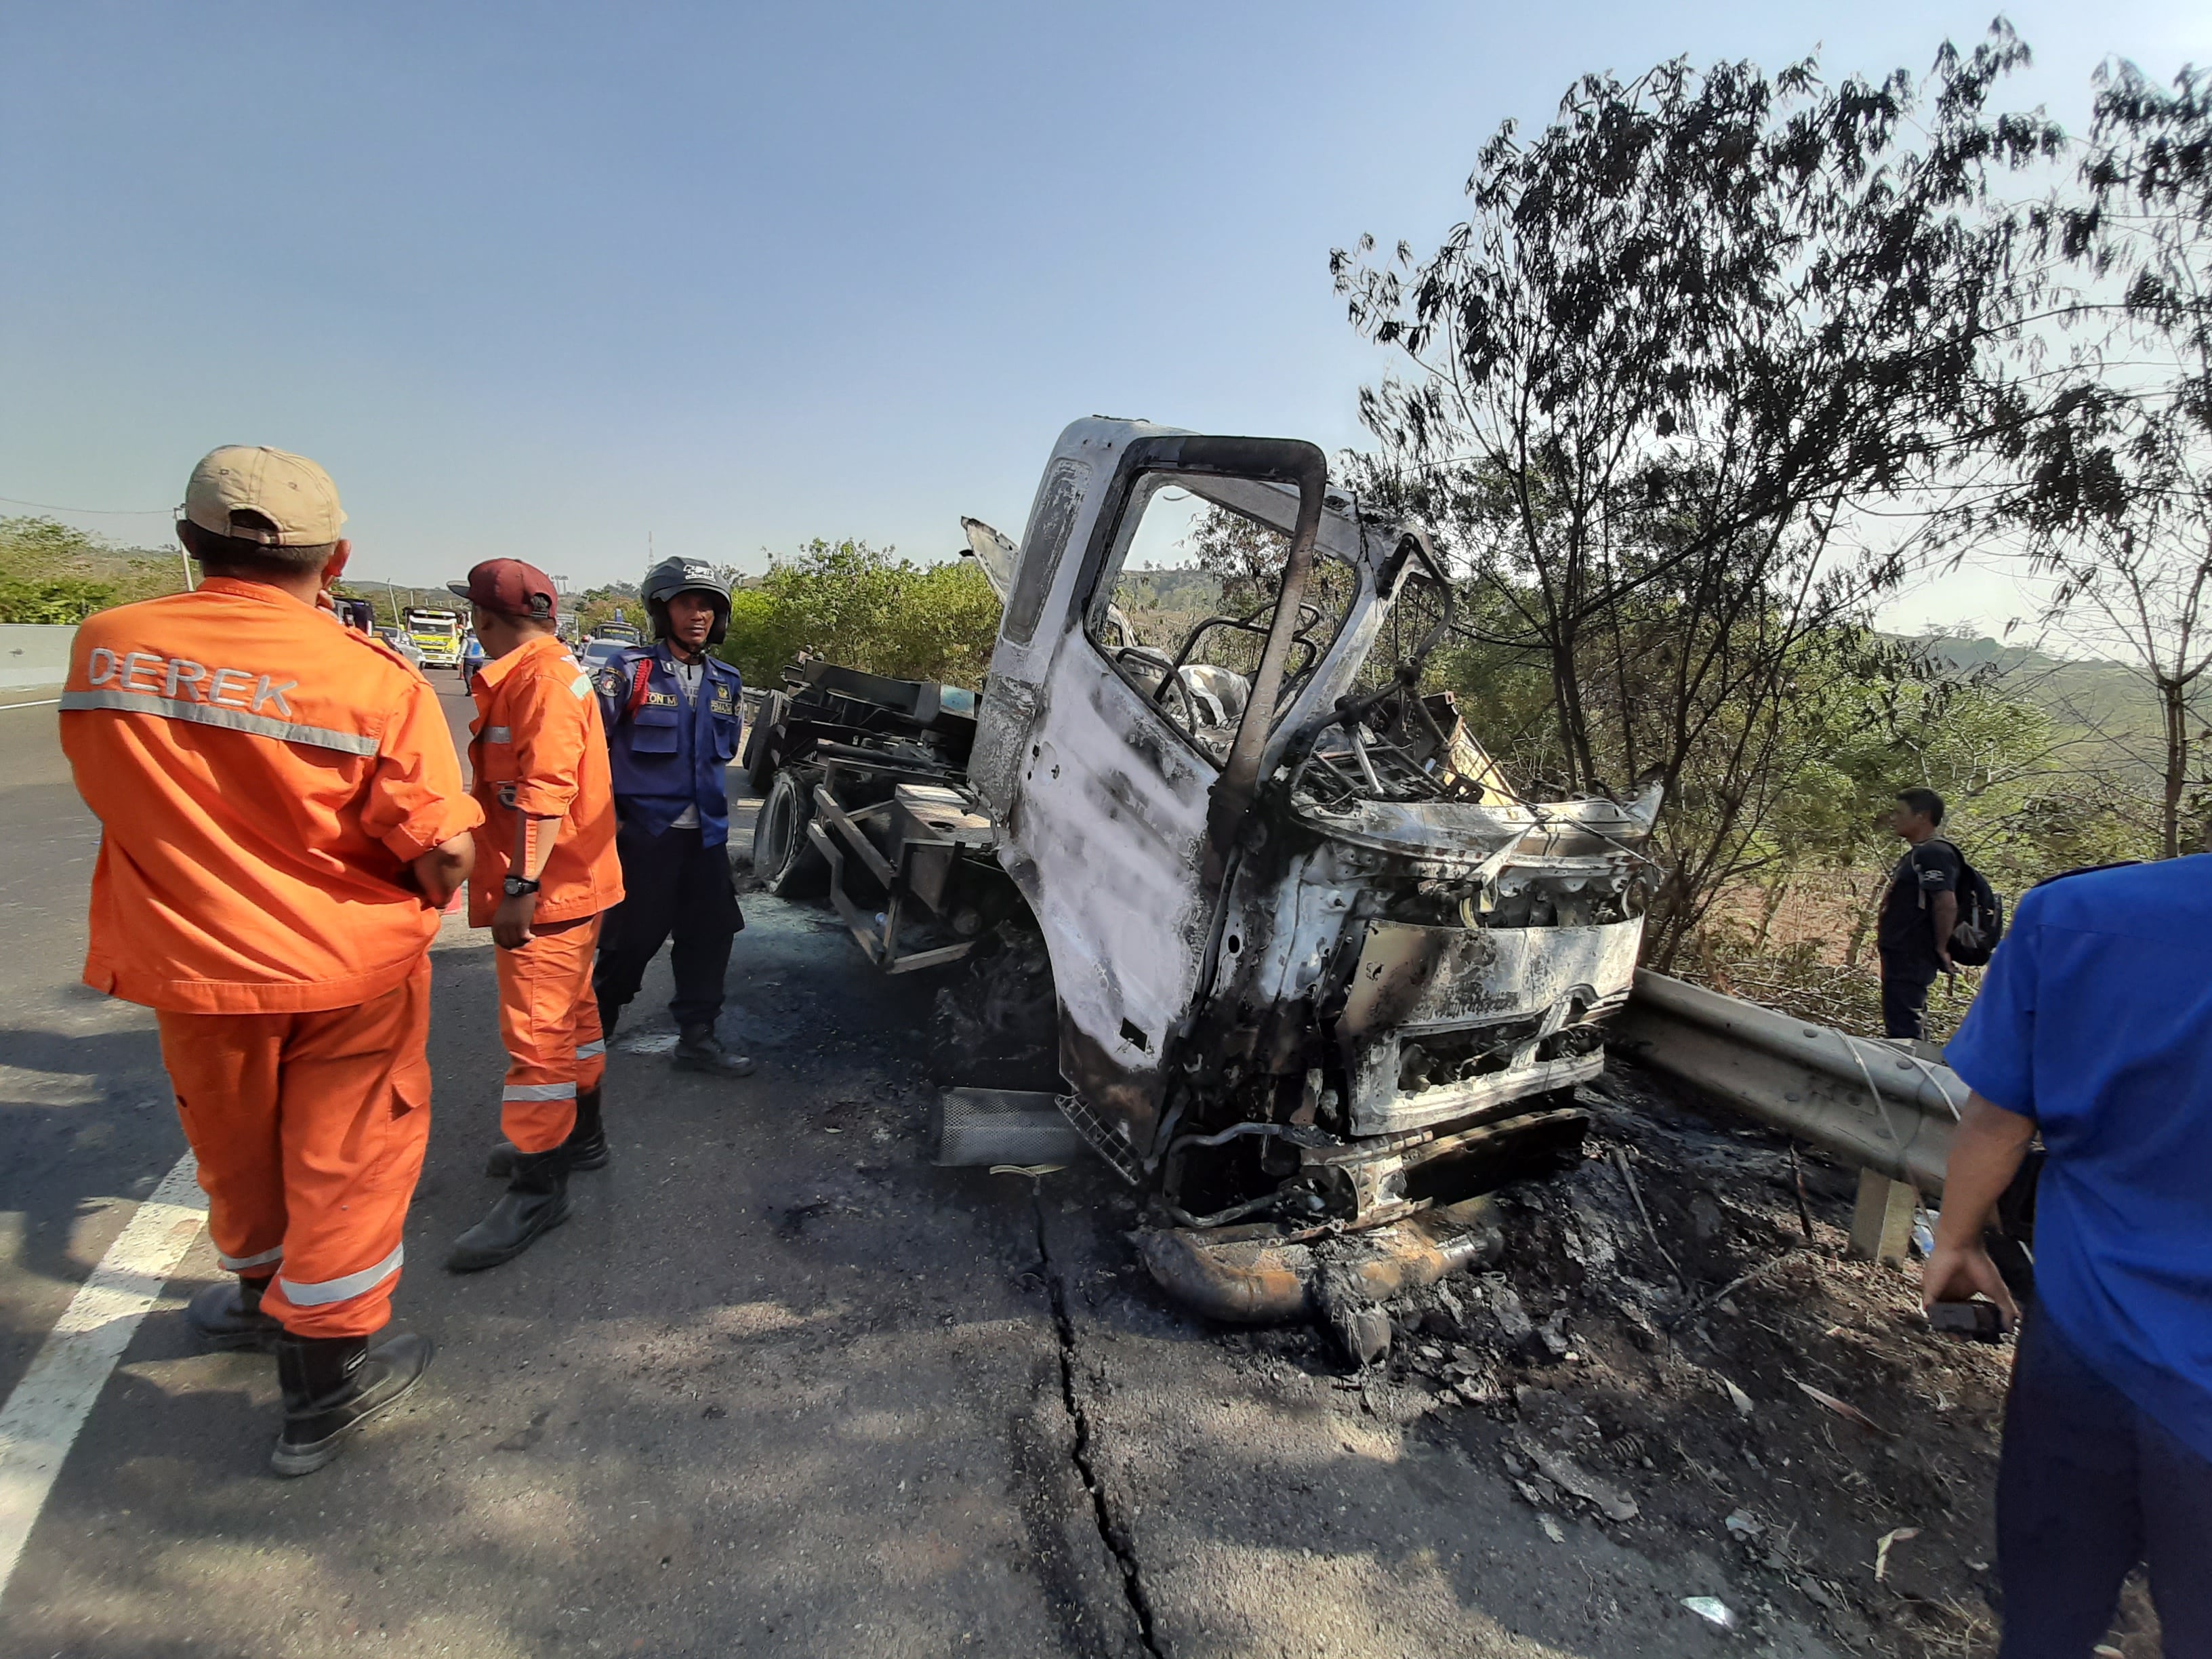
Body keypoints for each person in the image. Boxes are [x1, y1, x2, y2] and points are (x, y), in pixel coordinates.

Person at [59, 446, 480, 1476]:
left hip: (194, 965)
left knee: (233, 1142)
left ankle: (254, 1296)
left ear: (186, 539)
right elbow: (443, 849)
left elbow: (110, 791)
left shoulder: (109, 648)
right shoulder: (372, 681)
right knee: (350, 1160)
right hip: (348, 974)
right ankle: (325, 1388)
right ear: (335, 558)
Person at [1927, 859, 2212, 1654]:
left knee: (2046, 1621)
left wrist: (1955, 1242)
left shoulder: (2077, 914)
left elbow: (2000, 1121)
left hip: (2085, 1346)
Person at [446, 559, 624, 1270]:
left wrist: (521, 887)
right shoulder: (545, 670)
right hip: (570, 885)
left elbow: (543, 792)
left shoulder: (541, 681)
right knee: (574, 1025)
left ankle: (539, 1187)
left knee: (539, 1042)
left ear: (485, 619)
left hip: (549, 891)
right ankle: (583, 1140)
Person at [589, 556, 754, 1077]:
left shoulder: (727, 682)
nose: (698, 615)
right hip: (645, 837)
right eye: (686, 604)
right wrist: (607, 825)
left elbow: (721, 757)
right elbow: (590, 751)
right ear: (663, 611)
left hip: (705, 837)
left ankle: (698, 1038)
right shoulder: (628, 672)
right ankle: (596, 1024)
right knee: (631, 939)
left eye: (707, 606)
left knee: (711, 935)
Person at [1876, 787, 1961, 1041]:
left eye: (1899, 812)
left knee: (1905, 1024)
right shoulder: (1917, 854)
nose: (1893, 818)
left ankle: (1907, 1072)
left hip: (1913, 951)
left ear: (1922, 816)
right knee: (1906, 1016)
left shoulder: (1934, 853)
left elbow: (1946, 902)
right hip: (1902, 950)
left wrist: (1942, 947)